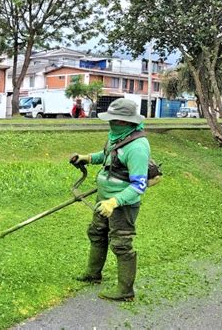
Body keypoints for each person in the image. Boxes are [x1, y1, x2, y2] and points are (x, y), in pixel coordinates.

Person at [70, 98, 156, 301]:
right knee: (97, 233)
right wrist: (87, 158)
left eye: (114, 120)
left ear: (127, 121)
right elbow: (108, 155)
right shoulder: (116, 136)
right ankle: (93, 274)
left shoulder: (138, 147)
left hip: (122, 205)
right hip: (104, 198)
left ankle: (125, 290)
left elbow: (139, 185)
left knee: (121, 244)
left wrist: (114, 202)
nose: (110, 123)